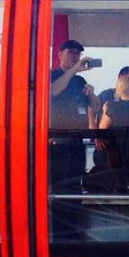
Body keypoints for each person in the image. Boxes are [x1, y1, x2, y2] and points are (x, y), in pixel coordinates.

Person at [49, 39, 99, 241]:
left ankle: (73, 233)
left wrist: (92, 94)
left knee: (75, 187)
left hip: (76, 143)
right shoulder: (53, 75)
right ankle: (60, 235)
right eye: (71, 53)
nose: (75, 57)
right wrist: (73, 70)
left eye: (78, 54)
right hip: (57, 144)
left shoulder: (79, 82)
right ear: (59, 54)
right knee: (60, 189)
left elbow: (94, 108)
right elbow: (53, 91)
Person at [88, 66, 129, 193]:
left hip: (122, 147)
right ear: (121, 77)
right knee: (106, 172)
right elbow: (91, 110)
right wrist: (96, 135)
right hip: (105, 145)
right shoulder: (107, 96)